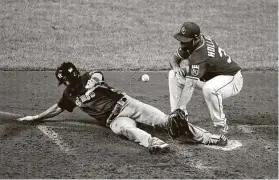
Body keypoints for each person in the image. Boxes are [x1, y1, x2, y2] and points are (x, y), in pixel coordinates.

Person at [18, 62, 228, 155]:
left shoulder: (87, 76)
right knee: (124, 130)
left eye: (63, 81)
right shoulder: (69, 96)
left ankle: (211, 138)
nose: (64, 85)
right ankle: (154, 143)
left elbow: (98, 74)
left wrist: (93, 82)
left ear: (69, 78)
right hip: (115, 119)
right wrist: (37, 116)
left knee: (169, 121)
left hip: (128, 104)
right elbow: (57, 108)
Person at [169, 22, 243, 135]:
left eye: (185, 40)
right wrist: (176, 68)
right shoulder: (192, 44)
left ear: (196, 38)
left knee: (209, 89)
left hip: (231, 80)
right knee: (173, 75)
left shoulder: (202, 54)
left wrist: (181, 106)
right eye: (181, 39)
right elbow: (174, 59)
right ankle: (177, 120)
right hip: (209, 78)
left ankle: (220, 127)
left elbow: (190, 85)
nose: (181, 43)